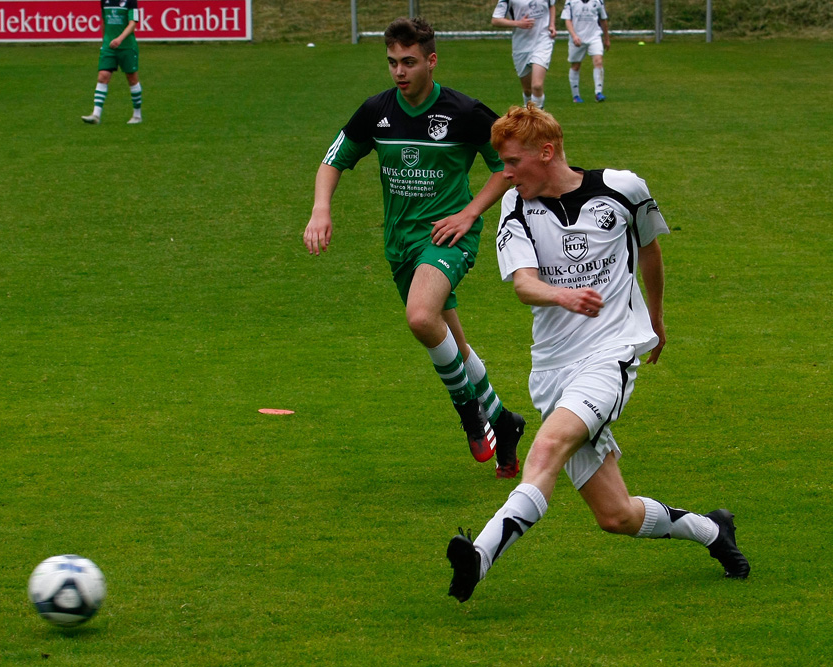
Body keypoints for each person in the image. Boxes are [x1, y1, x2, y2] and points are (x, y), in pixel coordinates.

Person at [446, 105, 749, 602]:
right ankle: (713, 531)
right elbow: (523, 284)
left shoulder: (624, 187)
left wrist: (655, 316)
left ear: (546, 153)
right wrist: (560, 294)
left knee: (542, 452)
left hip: (610, 355)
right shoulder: (515, 207)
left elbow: (649, 247)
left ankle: (478, 558)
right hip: (551, 371)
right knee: (617, 515)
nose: (505, 173)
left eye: (513, 161)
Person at [303, 17, 526, 478]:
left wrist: (471, 213)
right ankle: (505, 422)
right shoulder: (376, 111)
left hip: (448, 238)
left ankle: (470, 416)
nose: (399, 71)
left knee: (421, 318)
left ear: (431, 60)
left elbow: (510, 164)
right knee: (452, 343)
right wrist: (320, 209)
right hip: (400, 245)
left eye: (408, 62)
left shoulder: (464, 111)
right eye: (392, 63)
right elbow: (333, 160)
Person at [82, 0, 143, 125]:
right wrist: (104, 42)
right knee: (103, 76)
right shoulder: (104, 1)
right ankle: (96, 115)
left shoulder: (130, 1)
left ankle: (137, 115)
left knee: (132, 79)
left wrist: (120, 39)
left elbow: (133, 24)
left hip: (127, 47)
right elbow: (103, 21)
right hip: (109, 47)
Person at [491, 0, 557, 109]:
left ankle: (536, 119)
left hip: (543, 41)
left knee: (537, 85)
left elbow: (551, 5)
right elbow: (495, 20)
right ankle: (529, 113)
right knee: (528, 90)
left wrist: (552, 25)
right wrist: (518, 23)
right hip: (521, 45)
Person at [561, 0, 610, 102]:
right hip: (577, 38)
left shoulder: (598, 1)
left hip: (594, 36)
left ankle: (598, 93)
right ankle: (576, 96)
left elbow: (603, 19)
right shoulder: (570, 2)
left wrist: (606, 38)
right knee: (575, 65)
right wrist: (574, 36)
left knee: (598, 61)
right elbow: (567, 20)